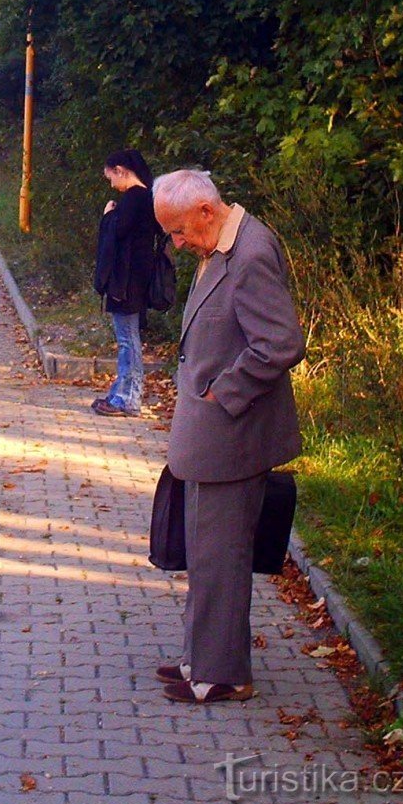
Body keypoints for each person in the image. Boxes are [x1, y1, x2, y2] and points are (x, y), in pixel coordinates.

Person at [151, 169, 305, 704]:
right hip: (211, 436)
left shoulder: (251, 254)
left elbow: (282, 344)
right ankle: (202, 659)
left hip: (234, 436)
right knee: (206, 553)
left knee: (222, 557)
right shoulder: (221, 245)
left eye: (178, 231)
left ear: (205, 212)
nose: (177, 242)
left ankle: (223, 675)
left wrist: (225, 392)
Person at [91, 148, 157, 417]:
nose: (111, 184)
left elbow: (117, 232)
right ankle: (121, 391)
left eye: (111, 178)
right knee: (128, 338)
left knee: (128, 340)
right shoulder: (146, 198)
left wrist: (108, 215)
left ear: (121, 170)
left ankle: (128, 399)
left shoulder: (134, 199)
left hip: (127, 282)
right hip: (134, 280)